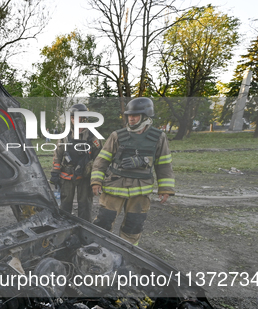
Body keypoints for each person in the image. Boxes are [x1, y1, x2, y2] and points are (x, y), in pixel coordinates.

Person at [90, 97, 175, 245]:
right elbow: (101, 160)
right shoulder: (117, 135)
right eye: (129, 115)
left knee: (134, 226)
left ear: (146, 116)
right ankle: (99, 250)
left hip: (140, 191)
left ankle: (128, 254)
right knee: (104, 221)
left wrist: (165, 188)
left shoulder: (158, 137)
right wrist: (96, 181)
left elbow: (164, 165)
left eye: (135, 115)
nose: (131, 118)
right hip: (114, 187)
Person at [50, 104, 102, 221]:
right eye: (73, 117)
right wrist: (55, 172)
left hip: (85, 177)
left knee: (85, 205)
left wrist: (96, 179)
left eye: (79, 117)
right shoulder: (65, 136)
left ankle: (85, 230)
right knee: (65, 204)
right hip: (67, 176)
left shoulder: (93, 137)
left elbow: (100, 159)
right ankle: (64, 227)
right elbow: (57, 155)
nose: (75, 120)